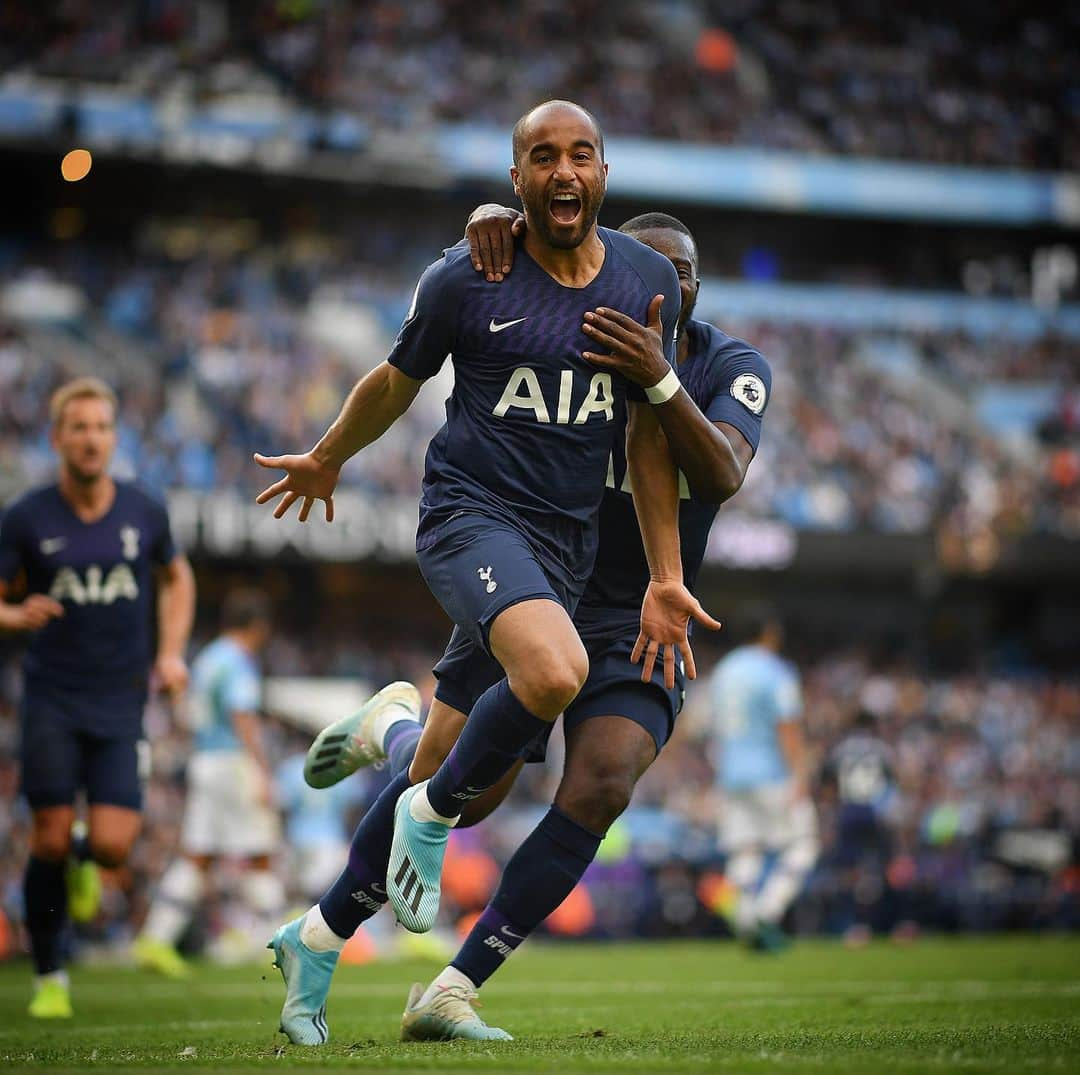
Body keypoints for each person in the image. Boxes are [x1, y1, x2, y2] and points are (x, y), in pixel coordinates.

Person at [254, 100, 709, 1046]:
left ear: (604, 174)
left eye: (580, 153)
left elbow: (647, 437)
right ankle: (424, 806)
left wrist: (666, 573)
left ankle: (318, 933)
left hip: (565, 551)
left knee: (470, 776)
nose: (563, 170)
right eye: (542, 156)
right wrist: (330, 453)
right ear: (517, 179)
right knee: (550, 675)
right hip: (469, 519)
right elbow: (394, 377)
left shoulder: (641, 279)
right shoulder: (467, 275)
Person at [0, 376, 194, 1018]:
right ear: (57, 438)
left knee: (112, 845)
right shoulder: (26, 518)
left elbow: (176, 576)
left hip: (121, 702)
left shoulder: (143, 511)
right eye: (78, 428)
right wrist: (13, 613)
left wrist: (169, 653)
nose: (91, 439)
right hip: (52, 699)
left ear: (115, 437)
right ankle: (51, 976)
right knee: (48, 839)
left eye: (102, 427)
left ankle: (86, 860)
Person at [133, 588, 282, 977]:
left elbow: (187, 711)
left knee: (197, 854)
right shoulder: (238, 661)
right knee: (261, 850)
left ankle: (156, 938)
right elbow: (242, 714)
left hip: (204, 758)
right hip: (232, 760)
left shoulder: (207, 659)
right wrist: (262, 770)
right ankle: (278, 941)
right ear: (257, 627)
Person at [710, 607, 819, 952]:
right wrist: (800, 774)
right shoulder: (775, 671)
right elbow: (787, 727)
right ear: (770, 633)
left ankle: (744, 920)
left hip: (732, 774)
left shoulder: (724, 671)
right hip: (771, 773)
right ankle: (766, 913)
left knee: (746, 849)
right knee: (804, 844)